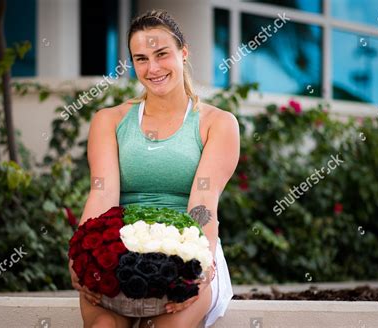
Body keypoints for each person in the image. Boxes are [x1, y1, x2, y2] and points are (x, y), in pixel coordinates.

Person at [69, 9, 239, 328]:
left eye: (162, 54)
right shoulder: (110, 121)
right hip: (117, 254)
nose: (153, 68)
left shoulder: (217, 123)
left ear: (183, 52)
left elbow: (203, 204)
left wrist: (199, 266)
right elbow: (102, 193)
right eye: (141, 58)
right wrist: (80, 258)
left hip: (190, 251)